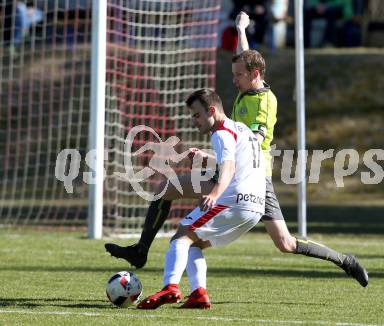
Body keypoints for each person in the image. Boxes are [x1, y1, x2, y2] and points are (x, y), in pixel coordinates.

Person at [105, 11, 368, 288]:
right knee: (168, 191)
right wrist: (241, 28)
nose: (234, 80)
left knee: (286, 243)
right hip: (232, 170)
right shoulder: (248, 87)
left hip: (251, 177)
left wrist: (213, 159)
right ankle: (144, 252)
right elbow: (244, 56)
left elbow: (252, 141)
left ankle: (345, 260)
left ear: (254, 75)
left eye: (238, 75)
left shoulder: (263, 104)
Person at [136, 88, 266, 309]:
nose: (194, 121)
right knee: (193, 243)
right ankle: (198, 293)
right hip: (256, 206)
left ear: (212, 110)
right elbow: (236, 160)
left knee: (180, 237)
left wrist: (215, 193)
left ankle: (170, 287)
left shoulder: (221, 132)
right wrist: (207, 158)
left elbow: (230, 165)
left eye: (197, 115)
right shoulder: (240, 128)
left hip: (235, 199)